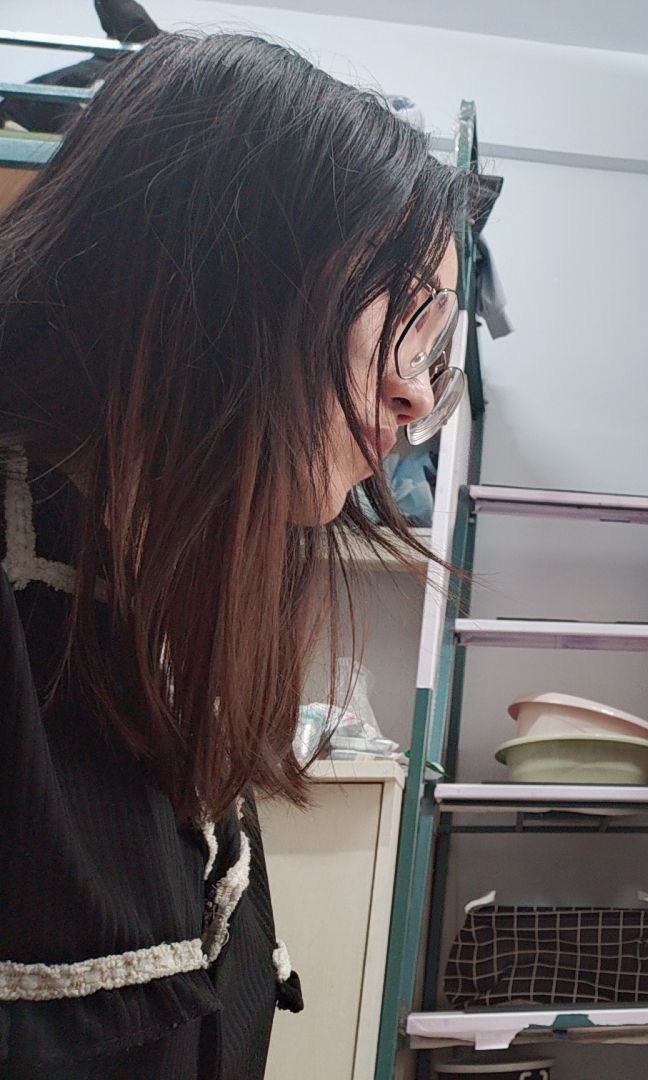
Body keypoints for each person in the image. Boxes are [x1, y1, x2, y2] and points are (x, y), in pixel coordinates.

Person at [0, 32, 478, 1078]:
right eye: (398, 312)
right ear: (231, 272)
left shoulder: (156, 600)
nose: (413, 394)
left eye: (432, 346)